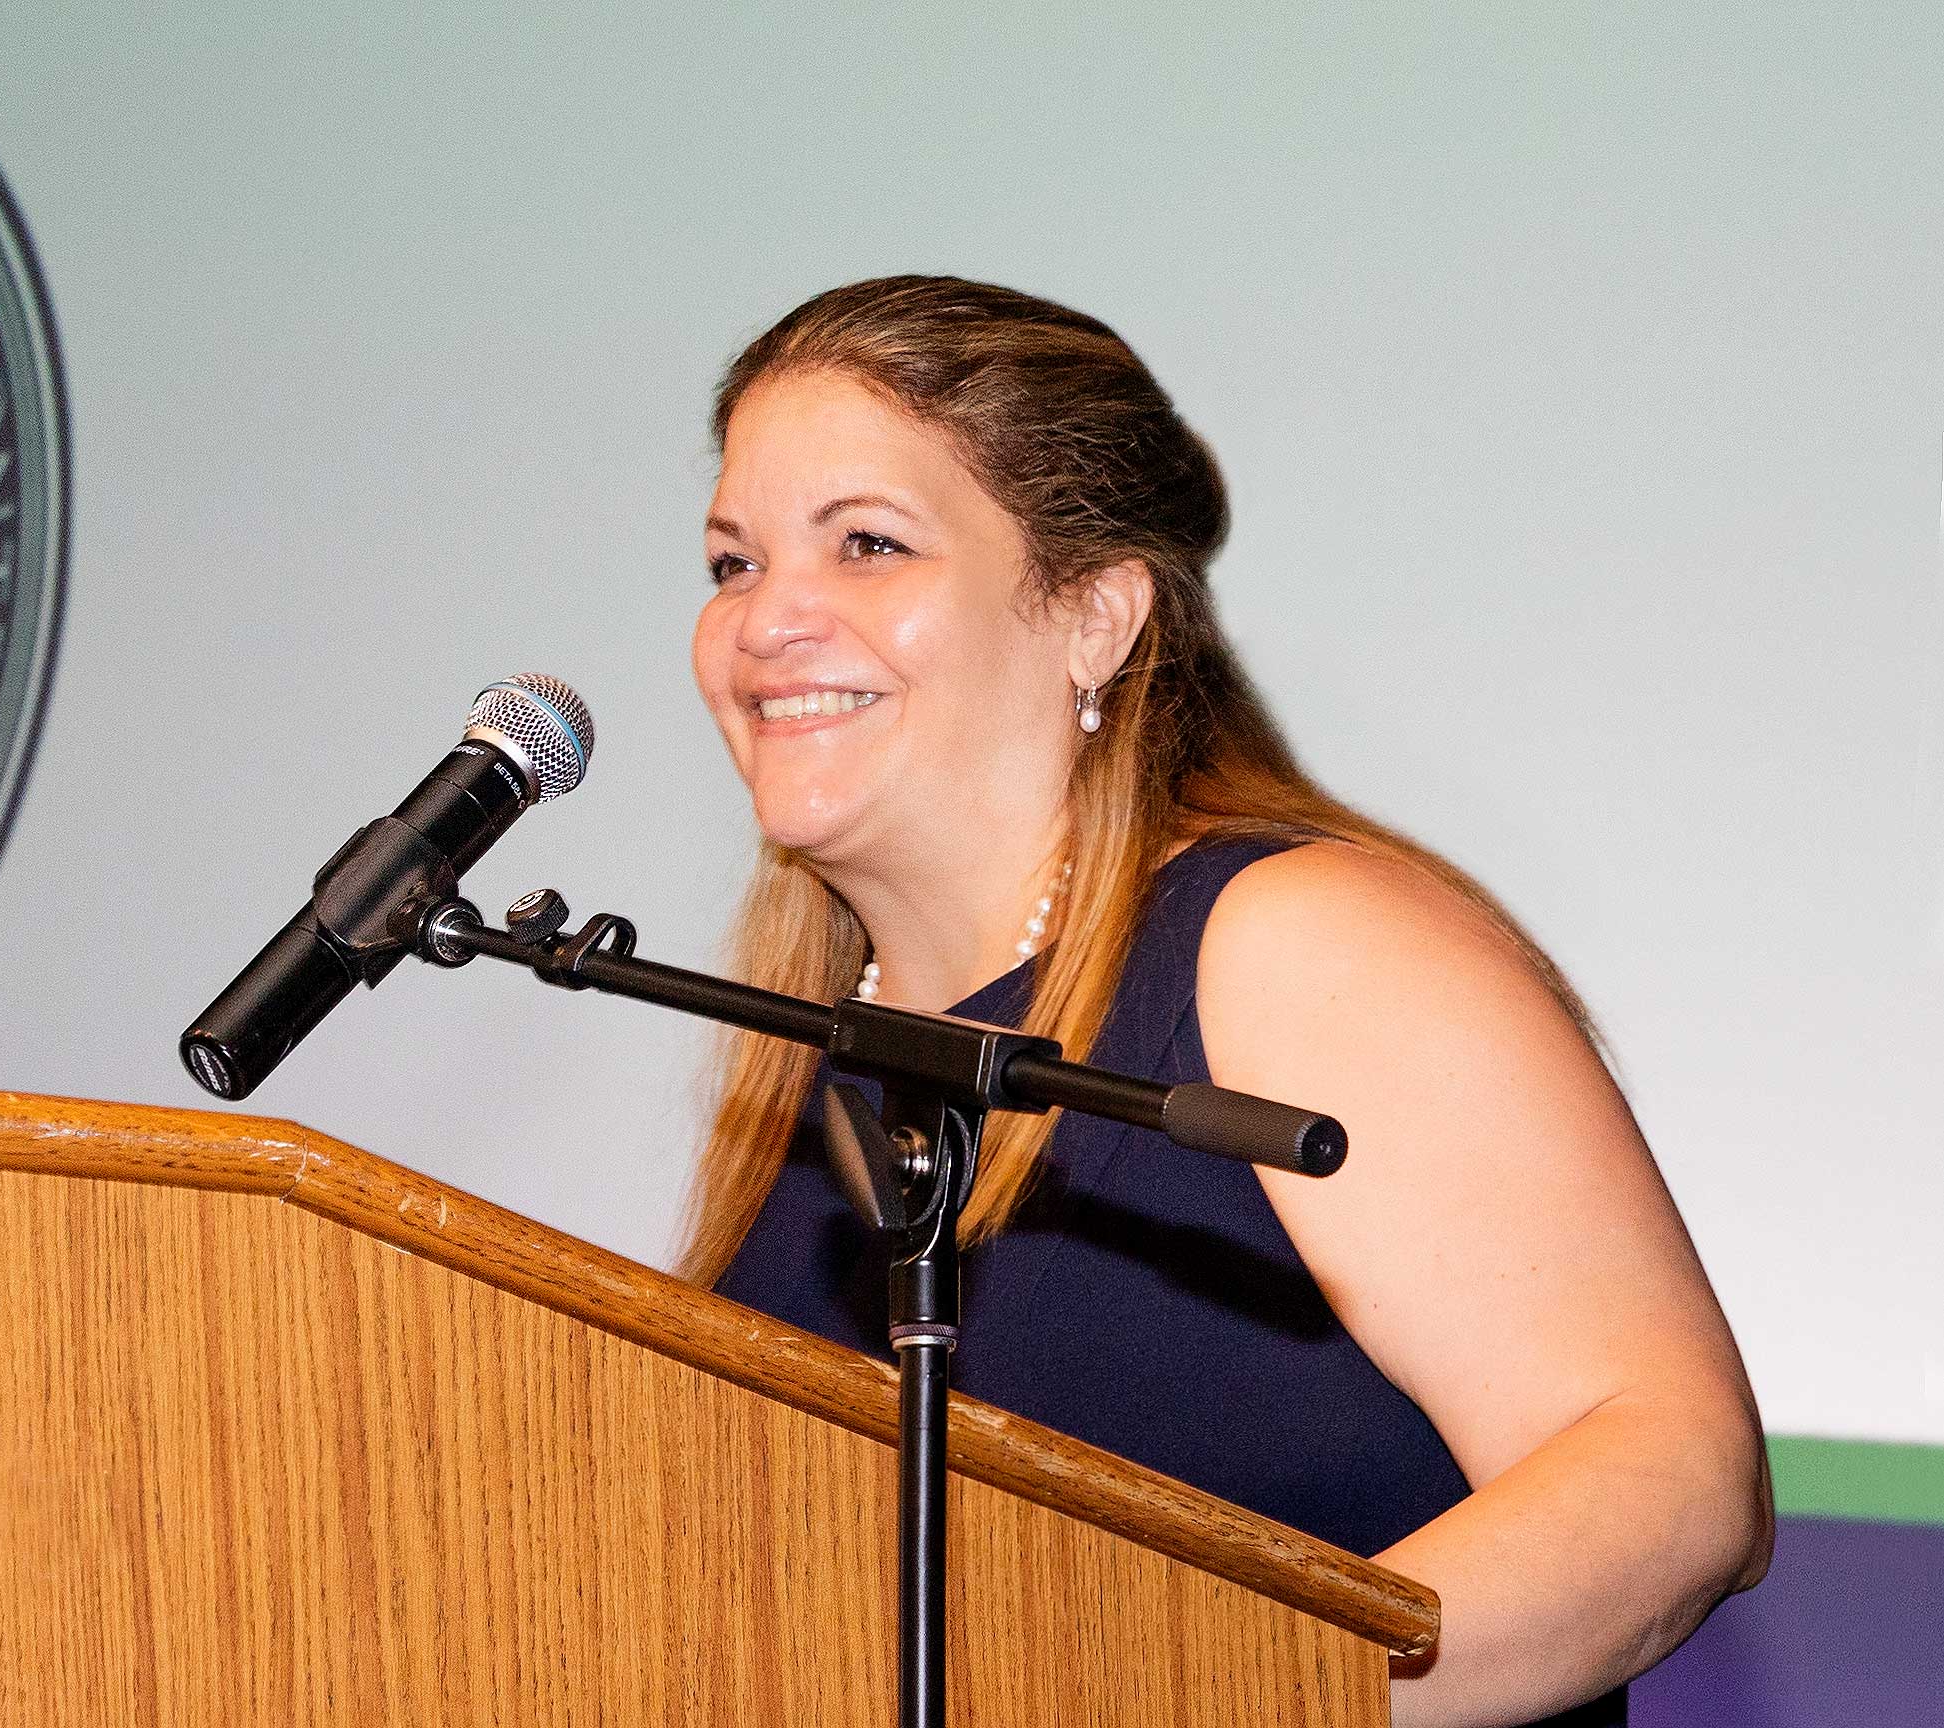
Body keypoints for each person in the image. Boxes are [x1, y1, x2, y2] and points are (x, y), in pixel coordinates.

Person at [682, 277, 1770, 1728]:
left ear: (1091, 615)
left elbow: (1666, 1475)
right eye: (730, 565)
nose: (765, 623)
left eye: (866, 545)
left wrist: (1208, 1702)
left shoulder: (1288, 944)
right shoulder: (807, 1062)